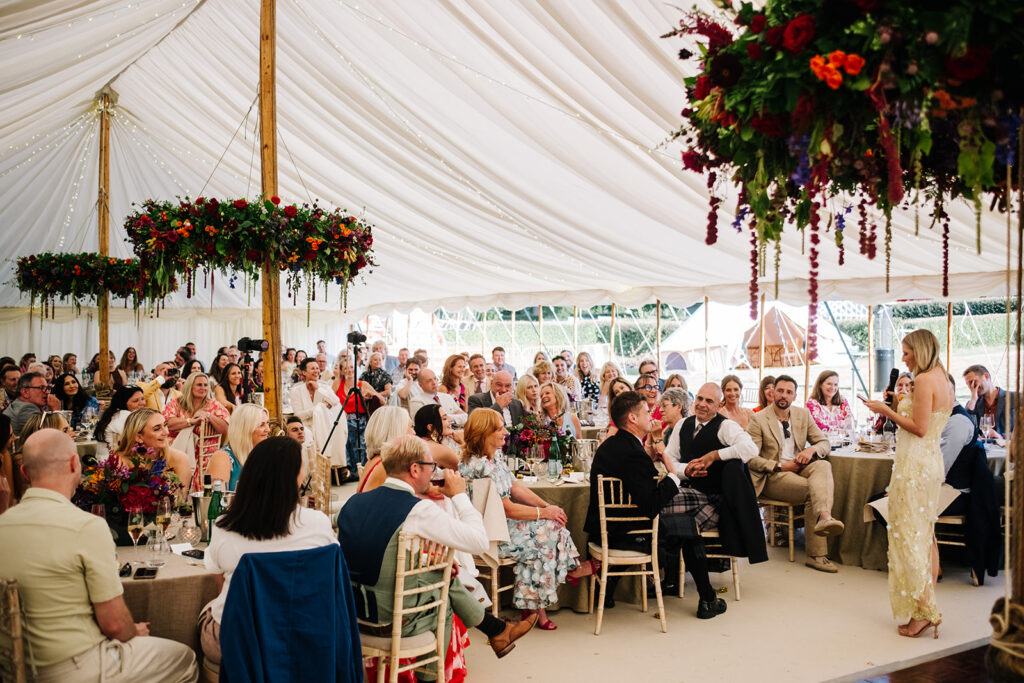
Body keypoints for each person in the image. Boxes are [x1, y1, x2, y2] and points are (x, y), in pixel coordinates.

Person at [0, 429, 198, 682]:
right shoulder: (86, 526)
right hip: (74, 666)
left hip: (11, 667)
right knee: (183, 657)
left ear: (24, 473)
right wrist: (133, 630)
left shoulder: (3, 524)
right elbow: (115, 625)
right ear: (75, 463)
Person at [339, 435, 536, 671]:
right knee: (445, 596)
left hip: (352, 614)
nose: (434, 472)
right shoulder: (418, 510)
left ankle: (498, 632)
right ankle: (433, 676)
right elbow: (479, 542)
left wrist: (430, 563)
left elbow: (375, 550)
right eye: (432, 467)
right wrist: (460, 495)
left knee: (443, 573)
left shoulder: (354, 502)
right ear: (415, 469)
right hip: (391, 622)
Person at [584, 391, 726, 618]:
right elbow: (651, 506)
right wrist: (673, 476)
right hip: (624, 533)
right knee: (689, 527)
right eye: (647, 412)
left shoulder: (614, 445)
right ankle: (707, 599)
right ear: (632, 418)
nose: (652, 415)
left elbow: (635, 483)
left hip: (607, 529)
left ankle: (608, 590)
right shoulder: (632, 452)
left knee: (685, 524)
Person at [199, 437, 338, 666]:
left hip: (240, 642)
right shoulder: (318, 524)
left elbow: (220, 582)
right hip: (304, 636)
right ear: (294, 477)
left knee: (209, 608)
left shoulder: (225, 526)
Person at [459, 410, 597, 629]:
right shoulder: (480, 467)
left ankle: (532, 609)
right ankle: (569, 573)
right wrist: (545, 513)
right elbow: (507, 509)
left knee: (550, 528)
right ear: (485, 433)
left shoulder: (494, 459)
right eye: (500, 428)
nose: (505, 432)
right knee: (545, 535)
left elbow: (516, 487)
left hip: (501, 526)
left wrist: (546, 506)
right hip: (489, 535)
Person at [863, 330, 953, 638]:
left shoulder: (927, 379)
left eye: (906, 352)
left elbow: (920, 427)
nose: (903, 358)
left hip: (915, 465)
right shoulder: (944, 377)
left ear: (920, 350)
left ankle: (924, 612)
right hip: (928, 461)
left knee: (908, 536)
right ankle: (927, 601)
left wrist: (886, 410)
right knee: (924, 533)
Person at [664, 383, 768, 569]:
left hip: (715, 499)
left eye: (709, 401)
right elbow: (670, 460)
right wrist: (686, 469)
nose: (702, 404)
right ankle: (670, 571)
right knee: (664, 513)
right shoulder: (682, 424)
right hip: (689, 490)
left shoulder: (725, 426)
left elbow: (751, 449)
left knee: (663, 506)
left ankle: (670, 569)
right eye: (700, 399)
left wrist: (715, 455)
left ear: (719, 405)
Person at [747, 375, 843, 573]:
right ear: (773, 393)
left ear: (794, 396)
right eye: (780, 391)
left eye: (789, 392)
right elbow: (750, 458)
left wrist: (811, 450)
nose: (784, 395)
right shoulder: (758, 419)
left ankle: (825, 517)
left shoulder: (803, 415)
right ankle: (817, 555)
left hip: (799, 466)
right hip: (773, 474)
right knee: (812, 490)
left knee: (823, 466)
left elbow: (824, 443)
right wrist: (780, 466)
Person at [110, 408, 192, 485]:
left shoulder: (180, 459)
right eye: (157, 429)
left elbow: (181, 497)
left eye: (165, 425)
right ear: (139, 437)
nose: (166, 432)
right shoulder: (119, 461)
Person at [162, 372, 230, 462]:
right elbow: (167, 424)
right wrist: (190, 421)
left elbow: (226, 428)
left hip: (204, 457)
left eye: (206, 385)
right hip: (176, 453)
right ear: (190, 387)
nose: (203, 388)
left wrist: (209, 415)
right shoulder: (176, 403)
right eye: (199, 385)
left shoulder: (214, 405)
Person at [208, 404, 270, 491]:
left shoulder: (264, 455)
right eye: (261, 425)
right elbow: (217, 500)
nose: (268, 429)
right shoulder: (222, 457)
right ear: (244, 428)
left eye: (267, 423)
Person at [356, 406, 414, 493]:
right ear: (397, 431)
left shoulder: (376, 460)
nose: (414, 432)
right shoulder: (388, 465)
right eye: (411, 427)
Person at [963, 363, 1017, 438]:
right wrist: (973, 400)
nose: (971, 386)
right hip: (984, 448)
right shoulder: (973, 404)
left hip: (1008, 447)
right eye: (968, 384)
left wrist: (1001, 436)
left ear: (986, 376)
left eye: (973, 381)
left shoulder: (1015, 398)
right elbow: (964, 428)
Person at [290, 357, 340, 429]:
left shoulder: (324, 386)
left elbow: (335, 401)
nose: (316, 371)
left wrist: (318, 389)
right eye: (313, 369)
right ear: (304, 372)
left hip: (324, 427)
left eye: (317, 368)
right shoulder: (296, 390)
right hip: (306, 430)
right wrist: (320, 408)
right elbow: (298, 416)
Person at [95, 385, 147, 451]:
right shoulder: (125, 417)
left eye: (142, 399)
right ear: (123, 403)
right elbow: (142, 440)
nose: (142, 403)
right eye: (135, 401)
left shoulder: (114, 413)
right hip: (112, 459)